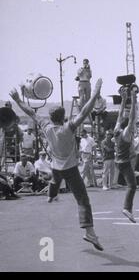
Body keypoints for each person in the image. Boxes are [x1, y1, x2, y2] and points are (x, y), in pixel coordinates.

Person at [9, 79, 104, 251]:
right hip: (71, 169)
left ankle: (51, 196)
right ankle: (89, 232)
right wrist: (96, 92)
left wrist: (17, 99)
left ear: (51, 118)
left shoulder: (46, 126)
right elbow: (85, 111)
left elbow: (30, 111)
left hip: (56, 167)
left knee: (54, 180)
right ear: (63, 117)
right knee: (83, 200)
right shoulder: (68, 127)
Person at [114, 87, 138, 223]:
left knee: (131, 182)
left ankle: (128, 208)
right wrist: (133, 99)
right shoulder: (126, 133)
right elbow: (132, 117)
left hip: (119, 160)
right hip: (124, 162)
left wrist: (123, 99)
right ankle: (127, 208)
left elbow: (120, 114)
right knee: (132, 186)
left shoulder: (117, 129)